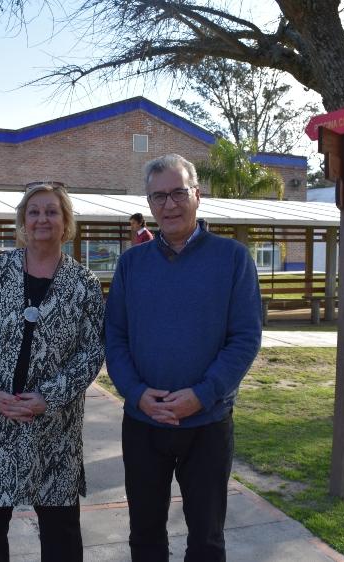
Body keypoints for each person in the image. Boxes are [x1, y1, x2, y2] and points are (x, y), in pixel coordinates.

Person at [105, 154, 262, 562]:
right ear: (149, 203)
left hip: (207, 423)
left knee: (207, 540)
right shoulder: (131, 264)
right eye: (159, 196)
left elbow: (245, 339)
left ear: (198, 194)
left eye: (178, 193)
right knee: (145, 537)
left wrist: (203, 394)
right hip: (142, 423)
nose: (169, 205)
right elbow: (116, 337)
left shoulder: (233, 259)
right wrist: (136, 393)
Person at [0, 182, 106, 562]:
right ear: (22, 220)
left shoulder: (83, 283)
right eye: (34, 211)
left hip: (53, 429)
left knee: (61, 535)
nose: (42, 219)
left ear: (65, 220)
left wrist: (48, 397)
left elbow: (92, 350)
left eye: (52, 211)